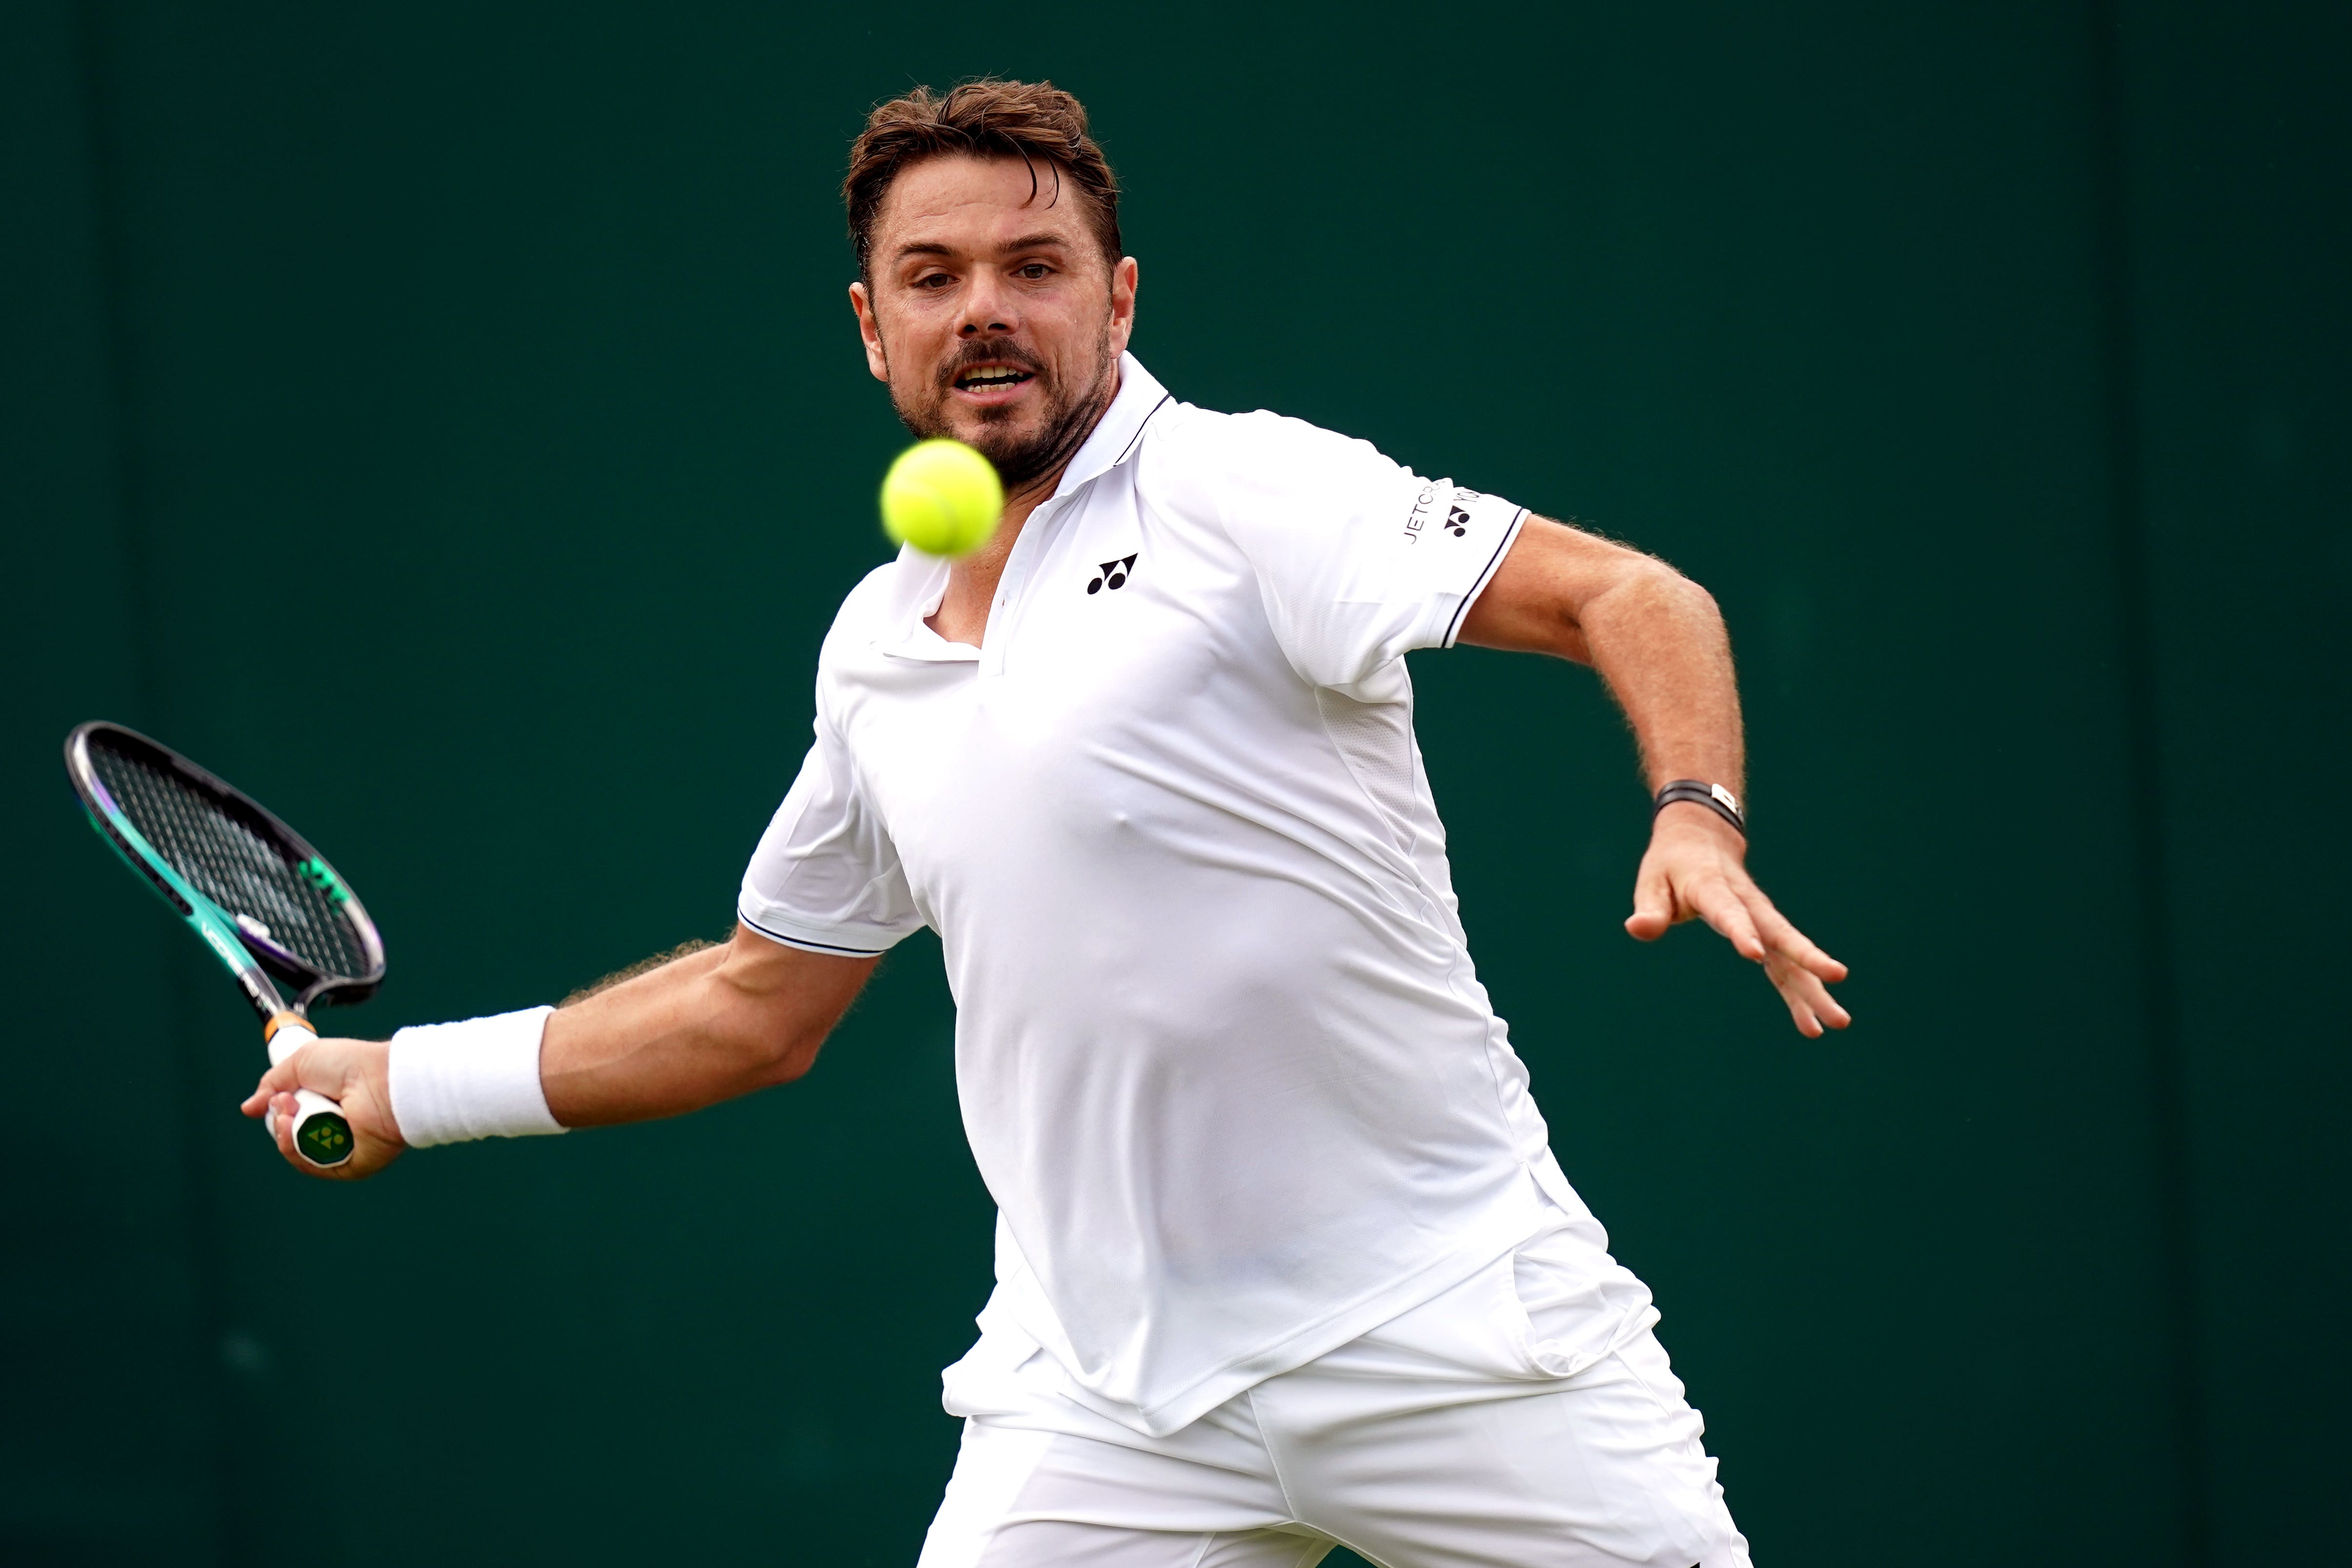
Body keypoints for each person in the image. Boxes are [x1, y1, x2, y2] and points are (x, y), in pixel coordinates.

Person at [249, 78, 1847, 1568]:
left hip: (1453, 1328)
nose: (988, 309)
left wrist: (1695, 815)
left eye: (1035, 265)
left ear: (1120, 297)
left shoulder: (1248, 493)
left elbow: (1629, 595)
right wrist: (406, 1084)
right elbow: (756, 1006)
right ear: (874, 330)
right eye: (934, 277)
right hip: (1102, 1395)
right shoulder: (877, 651)